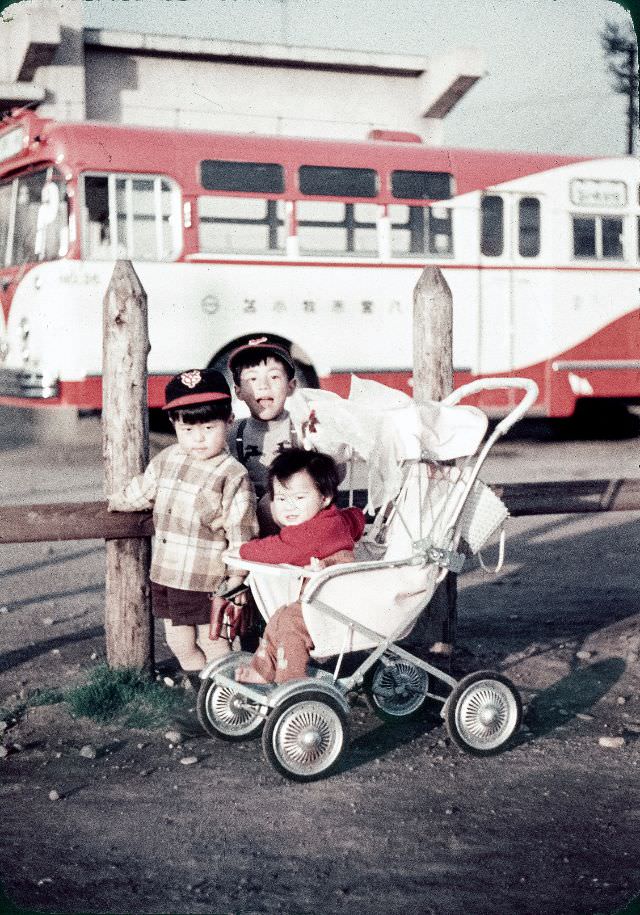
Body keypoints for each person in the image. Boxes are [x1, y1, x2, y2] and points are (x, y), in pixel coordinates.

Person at [108, 369, 258, 681]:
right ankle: (203, 691)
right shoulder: (168, 460)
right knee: (180, 642)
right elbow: (143, 490)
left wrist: (235, 580)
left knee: (214, 640)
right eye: (188, 429)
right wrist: (116, 501)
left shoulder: (232, 475)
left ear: (229, 421)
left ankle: (229, 699)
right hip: (168, 574)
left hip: (208, 579)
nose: (199, 437)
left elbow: (241, 532)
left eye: (208, 427)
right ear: (175, 424)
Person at [234, 448, 365, 685]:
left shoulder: (316, 530)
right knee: (279, 617)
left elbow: (282, 548)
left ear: (324, 498)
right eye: (282, 499)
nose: (289, 507)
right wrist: (356, 519)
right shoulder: (330, 520)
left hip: (332, 605)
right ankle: (263, 671)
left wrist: (243, 550)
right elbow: (353, 519)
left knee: (290, 625)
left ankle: (291, 680)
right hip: (320, 599)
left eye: (299, 498)